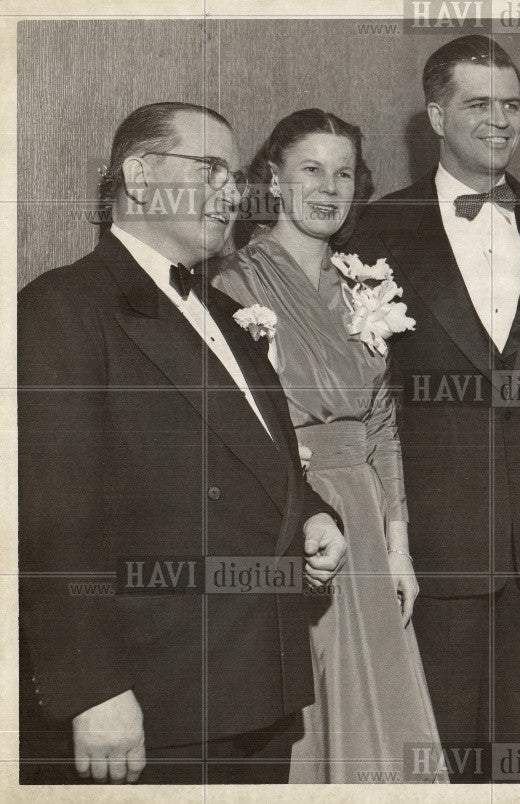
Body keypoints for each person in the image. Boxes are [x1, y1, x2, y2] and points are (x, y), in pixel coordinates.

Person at [18, 102, 347, 785]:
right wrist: (91, 690)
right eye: (209, 169)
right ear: (139, 175)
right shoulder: (62, 307)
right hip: (156, 699)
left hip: (261, 685)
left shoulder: (223, 311)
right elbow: (53, 523)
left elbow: (262, 457)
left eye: (234, 174)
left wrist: (316, 513)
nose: (233, 191)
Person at [348, 35, 520, 777]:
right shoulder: (373, 231)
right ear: (435, 115)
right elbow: (366, 393)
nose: (501, 120)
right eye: (478, 103)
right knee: (440, 749)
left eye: (511, 105)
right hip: (437, 538)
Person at [211, 108, 445, 783]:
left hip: (367, 519)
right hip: (293, 514)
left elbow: (382, 428)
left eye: (343, 173)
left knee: (380, 707)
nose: (328, 187)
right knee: (307, 708)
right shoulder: (234, 284)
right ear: (274, 180)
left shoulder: (365, 285)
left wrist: (400, 551)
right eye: (310, 169)